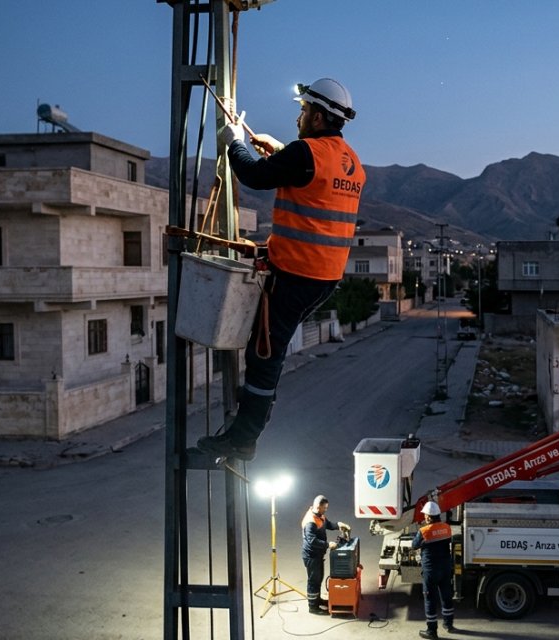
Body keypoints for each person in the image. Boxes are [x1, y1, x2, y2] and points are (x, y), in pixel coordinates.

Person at [196, 77, 365, 462]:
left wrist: (234, 142)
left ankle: (243, 437)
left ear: (319, 117)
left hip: (295, 273)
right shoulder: (351, 162)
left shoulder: (306, 153)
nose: (299, 116)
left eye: (304, 110)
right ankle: (250, 424)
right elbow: (309, 177)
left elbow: (255, 176)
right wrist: (281, 151)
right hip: (323, 276)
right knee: (268, 348)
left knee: (264, 354)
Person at [411, 501, 456, 639]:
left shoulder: (424, 531)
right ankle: (448, 624)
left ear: (429, 517)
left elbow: (414, 545)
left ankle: (432, 631)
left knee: (430, 598)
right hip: (445, 568)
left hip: (431, 570)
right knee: (446, 595)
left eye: (425, 515)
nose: (424, 517)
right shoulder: (447, 528)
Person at [300, 494, 350, 615]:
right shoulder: (310, 522)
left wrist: (339, 525)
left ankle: (317, 600)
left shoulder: (319, 515)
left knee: (319, 579)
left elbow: (327, 524)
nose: (325, 510)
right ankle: (313, 607)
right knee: (314, 581)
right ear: (318, 506)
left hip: (317, 555)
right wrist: (328, 545)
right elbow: (312, 541)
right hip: (311, 556)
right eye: (324, 508)